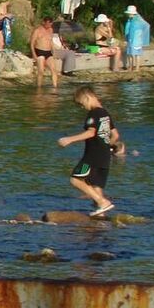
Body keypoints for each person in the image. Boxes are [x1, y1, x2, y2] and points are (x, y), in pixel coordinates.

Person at [57, 85, 117, 217]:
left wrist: (70, 139)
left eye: (81, 103)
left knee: (75, 179)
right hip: (105, 157)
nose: (82, 107)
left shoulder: (94, 113)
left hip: (93, 155)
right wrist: (107, 147)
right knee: (96, 186)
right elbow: (115, 135)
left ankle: (102, 202)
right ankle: (101, 217)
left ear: (87, 97)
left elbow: (91, 133)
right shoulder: (105, 113)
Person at [29, 16, 59, 89]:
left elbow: (50, 41)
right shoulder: (37, 30)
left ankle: (55, 88)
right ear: (44, 22)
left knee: (54, 70)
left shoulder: (50, 30)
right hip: (39, 51)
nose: (49, 26)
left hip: (48, 52)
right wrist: (34, 54)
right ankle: (39, 88)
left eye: (50, 24)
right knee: (41, 72)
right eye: (48, 24)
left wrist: (54, 52)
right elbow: (32, 43)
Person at [123, 5, 150, 73]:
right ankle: (136, 67)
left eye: (129, 13)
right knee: (136, 54)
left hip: (133, 40)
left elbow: (130, 31)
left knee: (131, 54)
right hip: (138, 40)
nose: (128, 14)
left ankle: (132, 67)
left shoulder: (134, 21)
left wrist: (127, 39)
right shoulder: (137, 19)